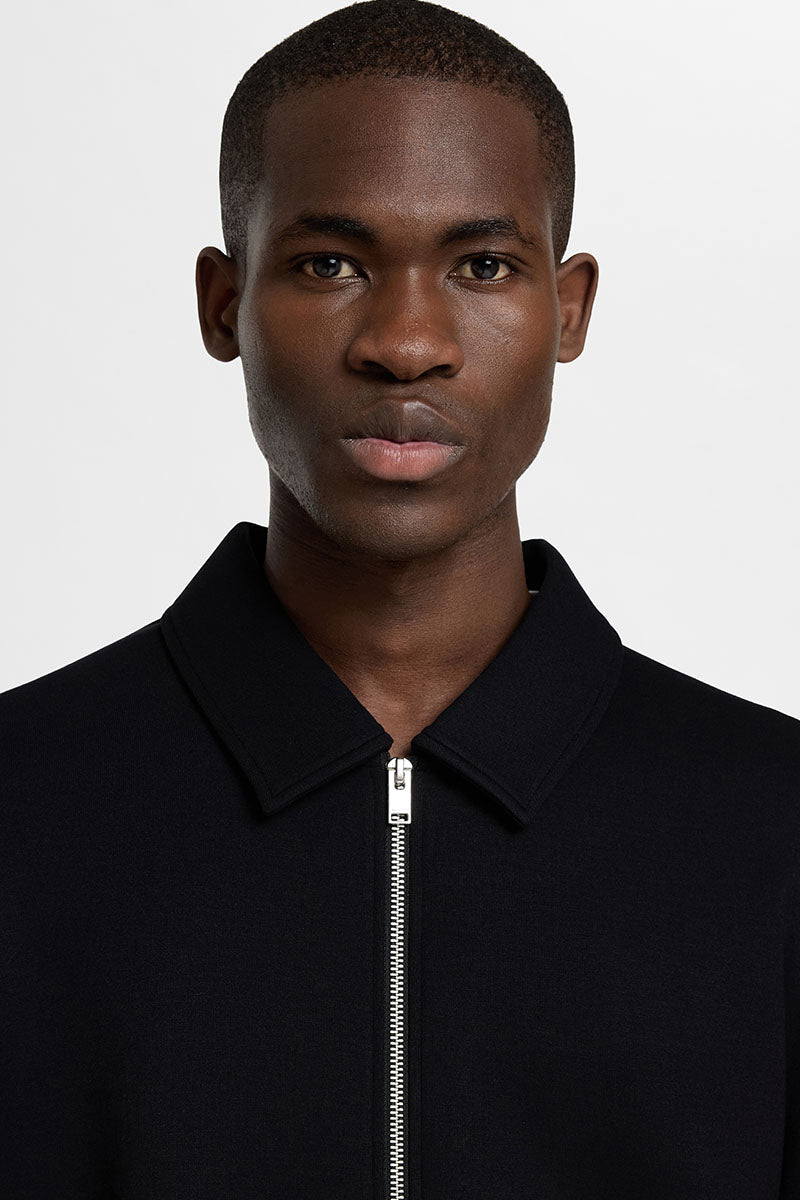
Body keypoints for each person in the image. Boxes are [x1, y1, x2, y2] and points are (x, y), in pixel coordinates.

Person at [1, 1, 798, 1196]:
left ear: (567, 309)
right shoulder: (23, 806)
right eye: (329, 264)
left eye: (481, 266)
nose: (407, 341)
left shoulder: (772, 828)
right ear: (222, 303)